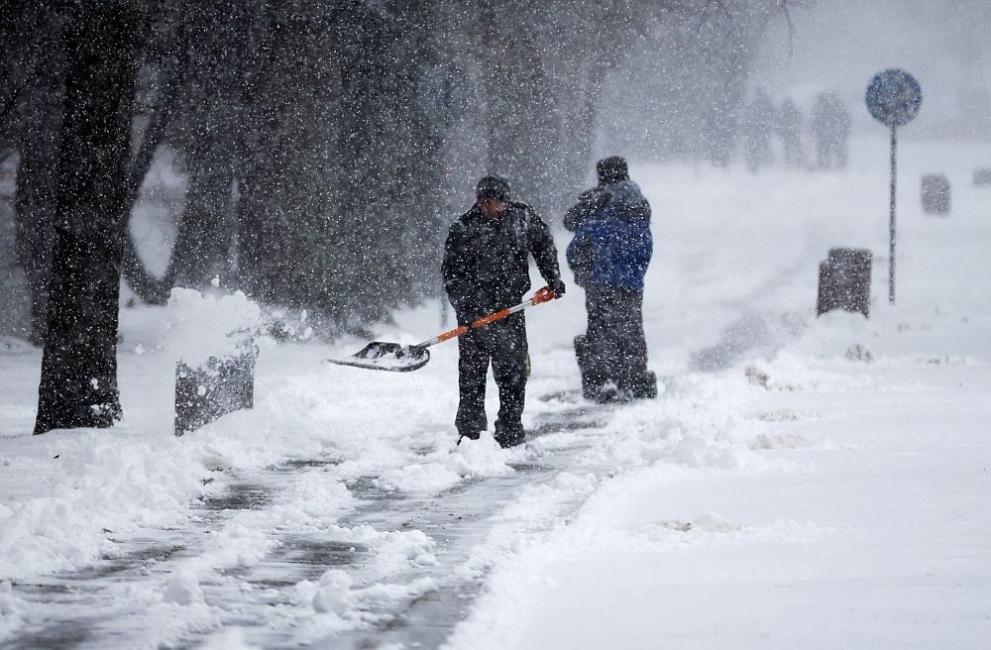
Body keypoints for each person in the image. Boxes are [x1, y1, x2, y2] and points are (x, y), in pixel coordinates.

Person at [442, 175, 565, 448]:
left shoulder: (522, 219)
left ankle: (510, 427)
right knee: (472, 374)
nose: (489, 207)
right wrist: (467, 307)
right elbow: (451, 275)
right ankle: (471, 433)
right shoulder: (463, 228)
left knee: (513, 372)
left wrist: (553, 278)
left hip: (510, 309)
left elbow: (544, 245)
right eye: (484, 201)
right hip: (474, 315)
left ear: (505, 200)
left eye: (495, 202)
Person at [565, 156, 656, 403]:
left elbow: (577, 241)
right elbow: (644, 246)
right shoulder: (639, 205)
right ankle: (635, 379)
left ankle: (600, 381)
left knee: (600, 330)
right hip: (631, 282)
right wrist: (634, 272)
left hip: (600, 281)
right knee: (631, 329)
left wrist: (583, 271)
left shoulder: (598, 205)